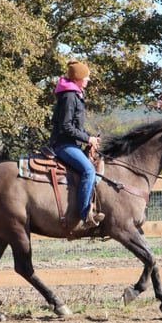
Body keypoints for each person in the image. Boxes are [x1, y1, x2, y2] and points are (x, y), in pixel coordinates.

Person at [49, 60, 105, 232]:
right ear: (78, 78)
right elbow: (65, 127)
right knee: (88, 170)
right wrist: (87, 139)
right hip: (63, 144)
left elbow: (77, 128)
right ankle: (85, 215)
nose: (88, 79)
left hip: (70, 142)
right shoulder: (69, 96)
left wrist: (89, 137)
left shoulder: (74, 94)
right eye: (86, 76)